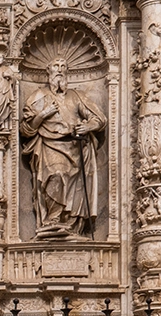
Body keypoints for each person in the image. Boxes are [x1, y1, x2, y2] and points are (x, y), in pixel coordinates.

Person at [19, 58, 104, 237]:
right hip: (50, 147)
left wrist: (88, 126)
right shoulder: (38, 97)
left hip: (75, 147)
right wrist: (43, 114)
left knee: (76, 188)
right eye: (56, 66)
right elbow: (26, 129)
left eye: (63, 67)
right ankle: (53, 219)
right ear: (48, 71)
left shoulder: (76, 96)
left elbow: (99, 119)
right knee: (55, 176)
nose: (59, 70)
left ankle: (71, 225)